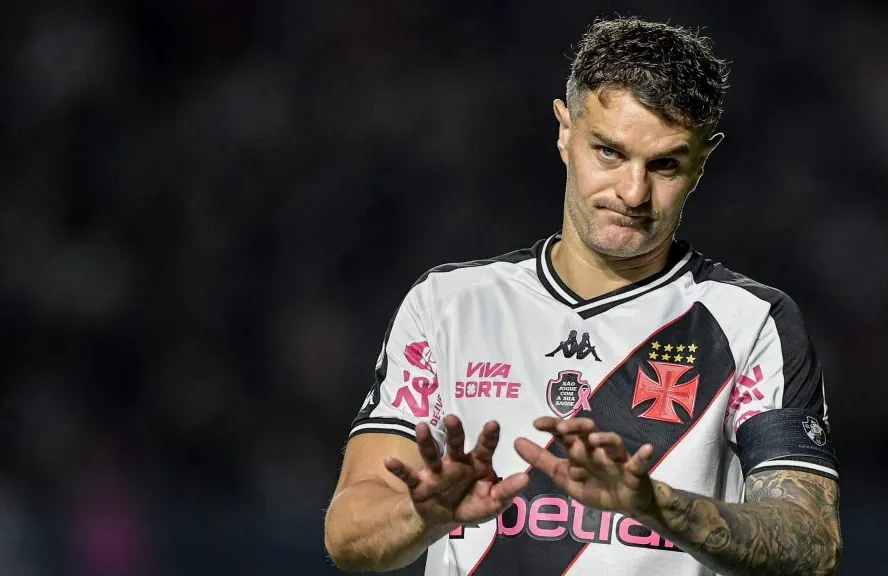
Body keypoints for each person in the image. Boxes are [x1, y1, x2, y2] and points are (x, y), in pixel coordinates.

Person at [324, 15, 842, 576]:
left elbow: (811, 543)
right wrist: (419, 517)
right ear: (564, 129)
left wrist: (658, 506)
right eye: (610, 152)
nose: (633, 191)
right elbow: (347, 534)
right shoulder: (447, 305)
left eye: (665, 164)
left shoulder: (753, 323)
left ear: (703, 161)